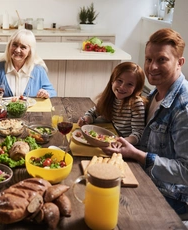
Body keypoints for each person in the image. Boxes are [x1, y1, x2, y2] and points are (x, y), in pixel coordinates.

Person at [104, 28, 188, 218]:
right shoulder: (153, 95)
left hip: (171, 196)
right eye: (149, 59)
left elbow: (186, 171)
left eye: (162, 59)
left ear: (179, 63)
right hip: (142, 177)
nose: (152, 67)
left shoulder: (184, 108)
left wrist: (138, 155)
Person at [77, 62, 147, 145]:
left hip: (126, 146)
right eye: (120, 81)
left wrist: (121, 141)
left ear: (136, 88)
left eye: (130, 84)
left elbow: (138, 134)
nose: (122, 87)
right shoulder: (111, 97)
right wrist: (86, 118)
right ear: (112, 81)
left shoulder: (136, 103)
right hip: (112, 136)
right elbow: (94, 111)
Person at [0, 29, 57, 102]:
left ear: (30, 51)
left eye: (23, 47)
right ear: (9, 46)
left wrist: (46, 93)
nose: (17, 50)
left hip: (32, 113)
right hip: (4, 113)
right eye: (14, 45)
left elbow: (52, 92)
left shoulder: (38, 70)